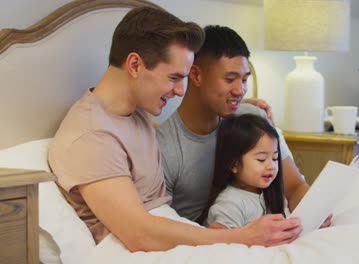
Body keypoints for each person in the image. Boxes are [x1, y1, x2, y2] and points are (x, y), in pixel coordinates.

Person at [48, 7, 302, 252]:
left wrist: (234, 105)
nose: (181, 90)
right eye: (173, 78)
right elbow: (139, 234)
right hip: (134, 250)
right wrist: (240, 237)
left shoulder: (132, 113)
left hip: (173, 234)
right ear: (135, 65)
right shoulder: (92, 137)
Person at [156, 25, 331, 228]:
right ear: (195, 75)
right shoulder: (164, 146)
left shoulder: (253, 118)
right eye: (230, 79)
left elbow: (294, 187)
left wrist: (316, 213)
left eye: (245, 79)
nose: (240, 90)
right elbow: (160, 223)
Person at [198, 114, 288, 229]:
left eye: (275, 158)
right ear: (234, 164)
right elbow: (226, 243)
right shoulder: (229, 204)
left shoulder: (272, 195)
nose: (271, 166)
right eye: (261, 159)